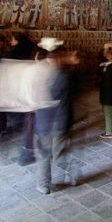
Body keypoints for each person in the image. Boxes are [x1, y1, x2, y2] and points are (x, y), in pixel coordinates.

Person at [35, 42, 79, 194]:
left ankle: (44, 185)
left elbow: (49, 96)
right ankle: (71, 176)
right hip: (63, 120)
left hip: (49, 120)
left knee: (45, 154)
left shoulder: (53, 76)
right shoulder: (69, 75)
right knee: (60, 152)